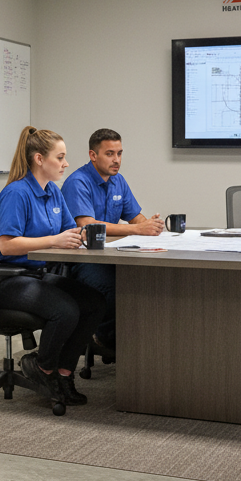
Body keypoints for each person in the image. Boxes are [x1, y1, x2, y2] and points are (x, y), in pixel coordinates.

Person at [0, 126, 106, 406]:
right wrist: (56, 240)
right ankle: (42, 367)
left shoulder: (53, 192)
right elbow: (7, 245)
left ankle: (63, 373)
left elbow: (67, 232)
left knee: (94, 301)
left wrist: (81, 236)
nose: (66, 164)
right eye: (60, 158)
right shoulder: (17, 193)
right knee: (65, 310)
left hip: (35, 275)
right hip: (4, 279)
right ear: (39, 159)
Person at [61, 128, 162, 355]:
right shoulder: (78, 182)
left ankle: (141, 344)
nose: (116, 160)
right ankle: (105, 339)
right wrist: (137, 228)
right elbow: (87, 224)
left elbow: (136, 217)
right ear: (93, 155)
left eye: (119, 153)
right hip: (83, 260)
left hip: (111, 256)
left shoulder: (118, 181)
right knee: (119, 289)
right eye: (110, 154)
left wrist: (150, 226)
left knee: (149, 281)